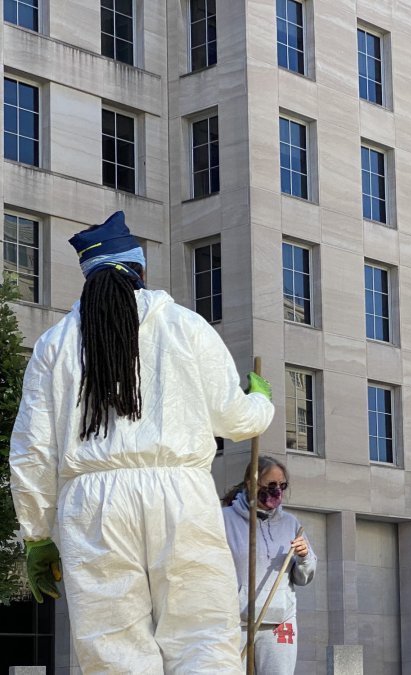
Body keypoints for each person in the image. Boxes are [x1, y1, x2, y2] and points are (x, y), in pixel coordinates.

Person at [8, 211, 275, 673]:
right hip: (181, 494)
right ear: (140, 270)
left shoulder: (56, 344)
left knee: (113, 651)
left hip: (93, 507)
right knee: (203, 638)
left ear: (88, 278)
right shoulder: (186, 326)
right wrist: (262, 401)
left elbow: (33, 451)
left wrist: (36, 535)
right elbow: (235, 420)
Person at [222, 456, 316, 675]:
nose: (277, 491)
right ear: (251, 484)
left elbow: (304, 577)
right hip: (235, 622)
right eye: (270, 486)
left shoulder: (291, 524)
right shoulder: (223, 520)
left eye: (282, 486)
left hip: (279, 622)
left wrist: (304, 558)